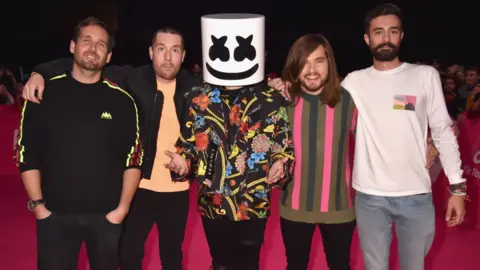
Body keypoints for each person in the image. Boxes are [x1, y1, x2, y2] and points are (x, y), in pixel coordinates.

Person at [22, 27, 199, 270]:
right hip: (139, 189)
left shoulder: (196, 87)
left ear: (183, 55)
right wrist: (39, 73)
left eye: (175, 50)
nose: (168, 57)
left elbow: (227, 96)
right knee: (128, 258)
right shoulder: (132, 78)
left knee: (172, 259)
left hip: (177, 189)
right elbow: (85, 60)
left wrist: (270, 85)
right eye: (161, 49)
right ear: (150, 52)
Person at [341, 4, 466, 269]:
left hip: (416, 196)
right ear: (367, 38)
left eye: (392, 31)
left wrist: (457, 188)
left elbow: (443, 131)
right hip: (369, 198)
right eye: (378, 32)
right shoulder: (353, 82)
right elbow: (320, 108)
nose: (385, 38)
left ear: (401, 36)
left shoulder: (424, 76)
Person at [165, 13, 295, 270]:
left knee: (249, 264)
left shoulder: (271, 100)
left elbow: (283, 145)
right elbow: (190, 143)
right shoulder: (198, 98)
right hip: (214, 201)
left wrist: (281, 162)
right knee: (221, 264)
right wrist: (183, 162)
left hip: (253, 201)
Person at [13, 17, 143, 270]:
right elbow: (26, 153)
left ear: (108, 56)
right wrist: (39, 207)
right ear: (73, 46)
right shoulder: (43, 94)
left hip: (107, 218)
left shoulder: (124, 101)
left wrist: (121, 211)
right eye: (87, 41)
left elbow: (134, 158)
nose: (93, 49)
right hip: (54, 216)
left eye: (101, 45)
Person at [276, 33, 356, 270]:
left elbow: (377, 136)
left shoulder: (348, 100)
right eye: (304, 62)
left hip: (339, 207)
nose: (311, 70)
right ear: (295, 66)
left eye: (318, 61)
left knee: (340, 265)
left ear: (329, 62)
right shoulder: (284, 100)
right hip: (294, 206)